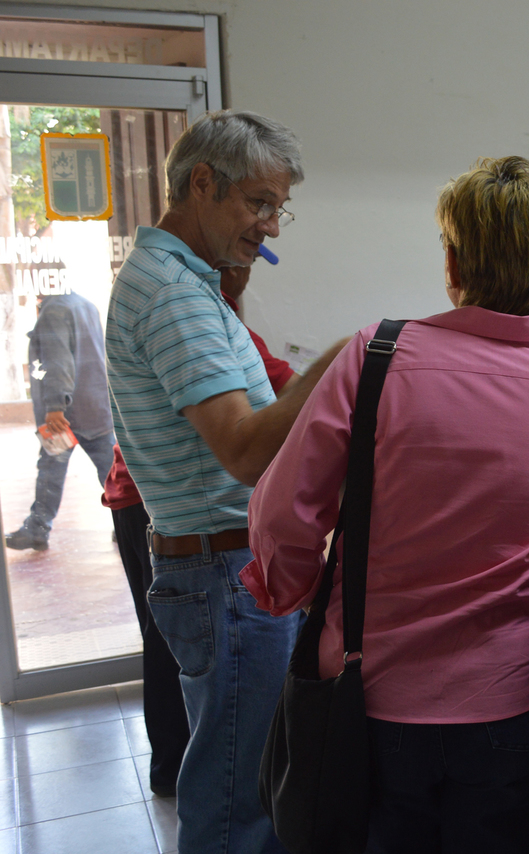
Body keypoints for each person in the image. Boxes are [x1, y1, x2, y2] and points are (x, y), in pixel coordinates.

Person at [241, 155, 529, 853]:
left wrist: (291, 590)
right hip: (514, 706)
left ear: (453, 261)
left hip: (374, 701)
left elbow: (284, 514)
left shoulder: (375, 355)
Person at [105, 109, 345, 854]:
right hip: (224, 572)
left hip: (228, 567)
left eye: (278, 208)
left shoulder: (185, 284)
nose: (270, 227)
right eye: (259, 203)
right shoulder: (173, 296)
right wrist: (338, 366)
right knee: (239, 802)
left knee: (251, 786)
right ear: (202, 183)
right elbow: (242, 451)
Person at [102, 262, 296, 799]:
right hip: (163, 510)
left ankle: (174, 762)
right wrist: (341, 367)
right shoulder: (187, 310)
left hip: (149, 501)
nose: (259, 249)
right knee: (180, 652)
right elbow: (254, 434)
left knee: (175, 645)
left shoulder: (216, 315)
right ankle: (172, 763)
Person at [5, 291, 115, 552]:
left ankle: (37, 528)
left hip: (66, 413)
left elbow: (57, 361)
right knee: (111, 471)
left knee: (51, 469)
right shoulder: (85, 304)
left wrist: (55, 406)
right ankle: (132, 520)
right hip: (95, 405)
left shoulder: (54, 311)